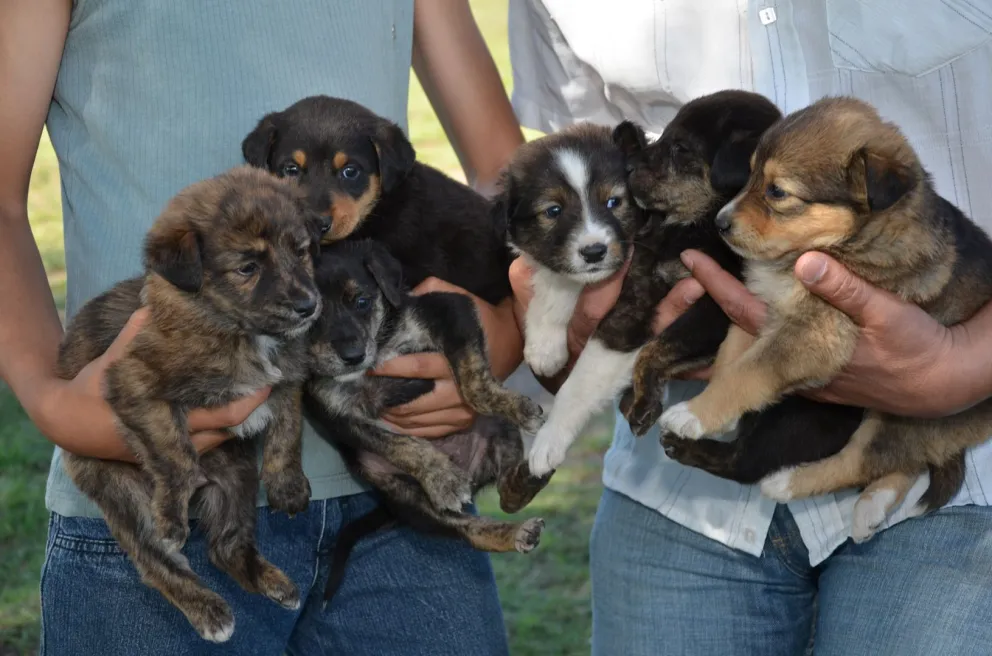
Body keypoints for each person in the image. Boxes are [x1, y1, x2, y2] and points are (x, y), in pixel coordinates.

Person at [1, 1, 526, 653]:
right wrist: (52, 404)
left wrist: (506, 328)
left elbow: (509, 179)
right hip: (161, 494)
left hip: (401, 496)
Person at [507, 1, 992, 654]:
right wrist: (566, 294)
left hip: (960, 481)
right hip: (677, 495)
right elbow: (564, 166)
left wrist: (964, 365)